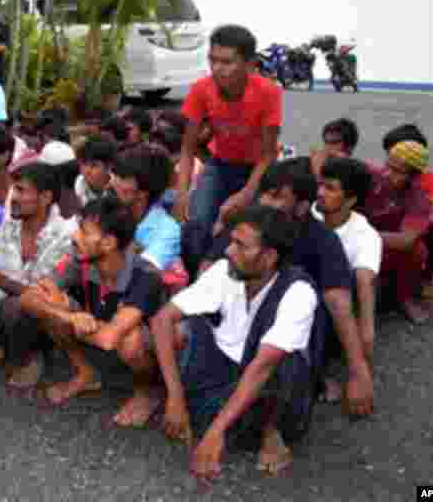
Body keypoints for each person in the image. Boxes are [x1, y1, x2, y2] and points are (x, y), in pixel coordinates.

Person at [151, 206, 322, 481]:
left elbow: (262, 367)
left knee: (283, 362)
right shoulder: (225, 270)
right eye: (232, 241)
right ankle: (233, 423)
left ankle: (270, 430)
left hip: (266, 376)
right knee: (187, 328)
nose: (229, 251)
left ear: (269, 257)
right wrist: (175, 396)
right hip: (227, 366)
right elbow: (161, 320)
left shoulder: (299, 293)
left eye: (241, 246)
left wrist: (214, 434)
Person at [199, 158, 373, 416]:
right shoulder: (250, 224)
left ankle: (303, 385)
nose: (265, 203)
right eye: (265, 194)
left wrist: (359, 373)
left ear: (302, 207)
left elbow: (340, 307)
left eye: (277, 197)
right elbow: (207, 271)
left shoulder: (323, 240)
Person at [21, 195, 167, 423]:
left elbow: (110, 338)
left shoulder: (146, 276)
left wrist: (75, 318)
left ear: (108, 243)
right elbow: (27, 298)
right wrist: (68, 315)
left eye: (84, 232)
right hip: (100, 332)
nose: (74, 236)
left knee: (131, 339)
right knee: (51, 300)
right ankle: (86, 373)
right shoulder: (80, 260)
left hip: (151, 351)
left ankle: (146, 392)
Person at [175, 24, 283, 274]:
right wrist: (182, 194)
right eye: (212, 60)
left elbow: (268, 155)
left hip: (260, 170)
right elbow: (188, 148)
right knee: (196, 224)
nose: (217, 69)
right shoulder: (201, 89)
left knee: (247, 232)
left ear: (249, 64)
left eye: (227, 62)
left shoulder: (268, 92)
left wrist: (246, 193)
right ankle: (195, 284)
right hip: (220, 165)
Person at [0, 163, 77, 386]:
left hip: (45, 314)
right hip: (2, 300)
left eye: (21, 190)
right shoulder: (11, 224)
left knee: (17, 306)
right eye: (13, 190)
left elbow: (43, 295)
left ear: (46, 198)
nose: (13, 198)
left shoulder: (65, 236)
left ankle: (32, 356)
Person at [313, 157, 382, 377]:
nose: (320, 192)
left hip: (332, 303)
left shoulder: (366, 236)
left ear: (351, 200)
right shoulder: (305, 211)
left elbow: (364, 281)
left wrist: (367, 331)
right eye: (321, 184)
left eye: (330, 188)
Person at [363, 138, 432, 323]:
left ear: (414, 176)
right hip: (360, 246)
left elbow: (406, 240)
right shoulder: (372, 174)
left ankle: (405, 296)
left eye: (396, 171)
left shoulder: (419, 199)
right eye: (387, 166)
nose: (387, 173)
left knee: (418, 250)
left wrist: (359, 235)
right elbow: (330, 157)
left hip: (386, 251)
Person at [111, 144, 181, 274]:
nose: (113, 183)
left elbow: (144, 276)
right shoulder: (112, 212)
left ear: (144, 191)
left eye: (123, 178)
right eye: (116, 176)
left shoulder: (167, 231)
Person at [75, 137, 117, 207]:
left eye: (94, 165)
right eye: (84, 163)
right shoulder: (77, 185)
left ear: (109, 166)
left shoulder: (118, 189)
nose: (87, 171)